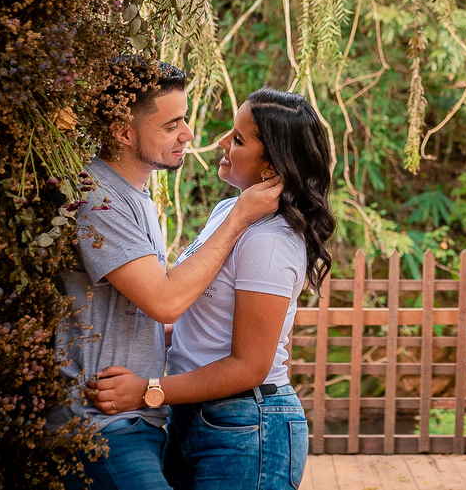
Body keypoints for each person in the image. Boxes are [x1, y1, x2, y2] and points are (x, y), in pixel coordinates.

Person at [51, 58, 283, 490]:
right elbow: (164, 301)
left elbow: (140, 312)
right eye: (171, 124)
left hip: (134, 421)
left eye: (186, 119)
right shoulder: (96, 196)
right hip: (101, 423)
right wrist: (239, 217)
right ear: (123, 131)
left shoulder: (133, 195)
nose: (189, 135)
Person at [88, 88, 335, 490]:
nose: (221, 142)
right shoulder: (230, 212)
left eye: (238, 139)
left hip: (247, 425)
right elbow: (202, 324)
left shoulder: (269, 240)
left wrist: (148, 391)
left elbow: (250, 365)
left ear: (271, 167)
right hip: (193, 415)